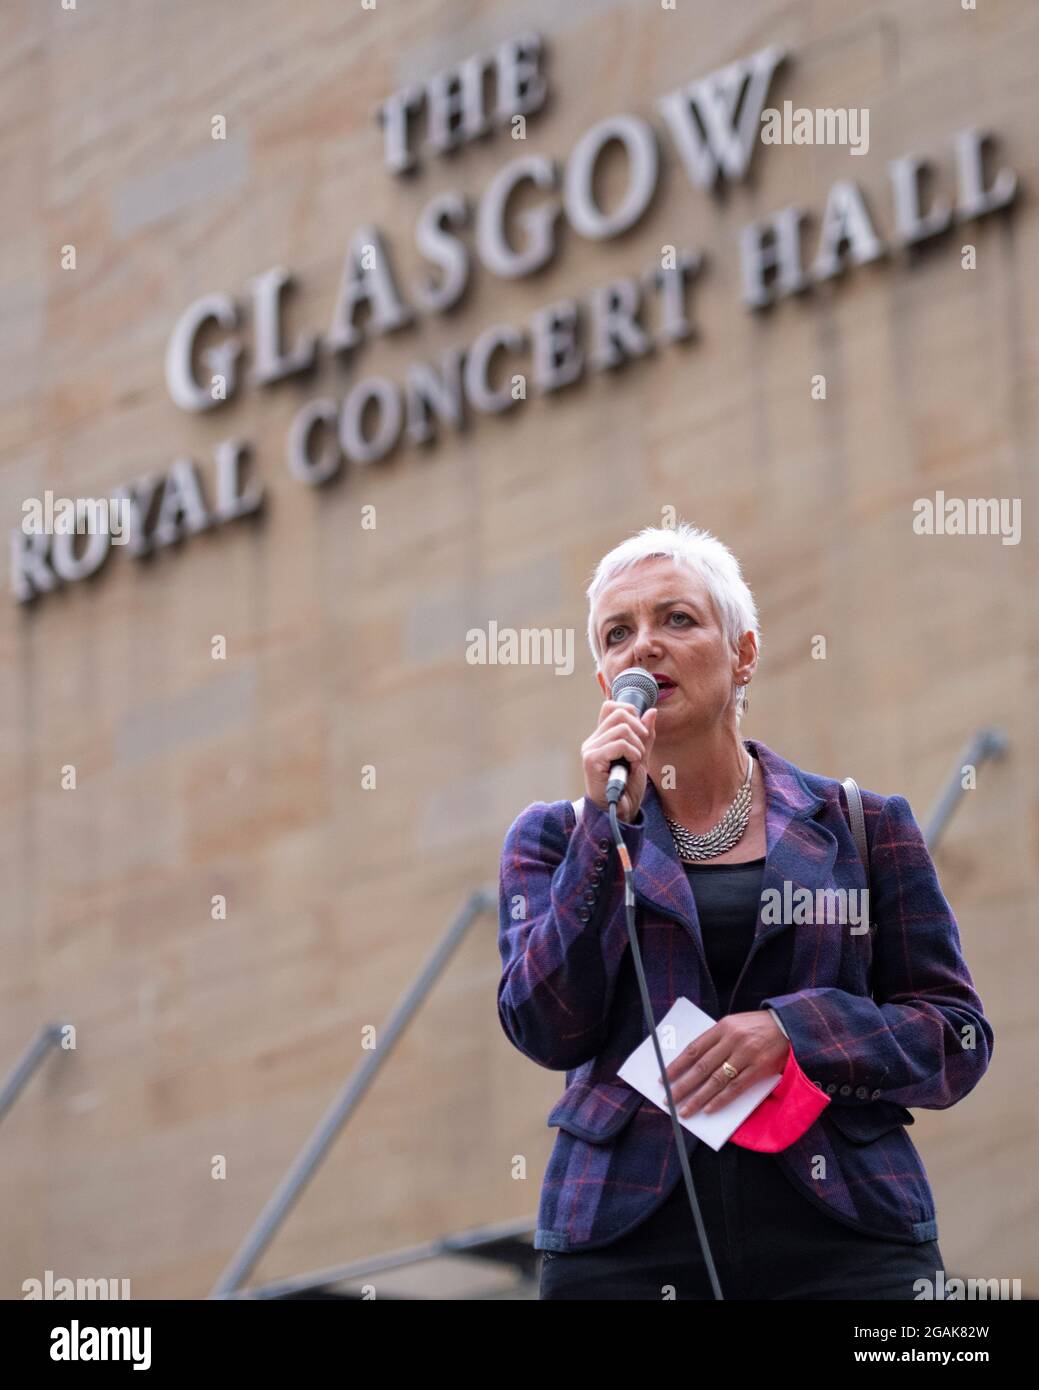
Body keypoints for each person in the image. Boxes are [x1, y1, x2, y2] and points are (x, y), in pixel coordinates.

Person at [496, 522, 993, 1300]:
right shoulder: (557, 837)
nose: (643, 646)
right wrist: (604, 828)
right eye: (617, 633)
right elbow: (542, 1024)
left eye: (677, 619)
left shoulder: (863, 825)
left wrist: (795, 1031)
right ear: (604, 685)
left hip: (850, 1241)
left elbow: (954, 1039)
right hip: (622, 1249)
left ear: (744, 654)